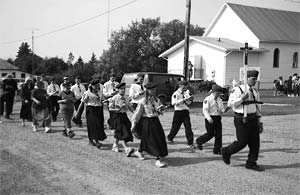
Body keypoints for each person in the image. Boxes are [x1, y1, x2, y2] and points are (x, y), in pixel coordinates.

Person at [221, 70, 265, 171]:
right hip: (241, 119)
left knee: (255, 143)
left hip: (253, 118)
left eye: (256, 79)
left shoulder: (255, 91)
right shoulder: (237, 90)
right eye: (253, 79)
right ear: (247, 79)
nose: (255, 81)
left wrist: (260, 121)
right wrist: (241, 99)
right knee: (242, 142)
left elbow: (258, 107)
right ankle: (227, 151)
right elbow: (231, 104)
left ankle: (251, 162)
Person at [131, 82, 168, 168]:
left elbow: (159, 111)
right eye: (151, 89)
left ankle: (139, 151)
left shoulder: (156, 100)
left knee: (157, 138)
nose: (154, 91)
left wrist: (161, 109)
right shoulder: (143, 101)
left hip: (155, 120)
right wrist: (134, 123)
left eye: (154, 89)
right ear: (147, 90)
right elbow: (138, 113)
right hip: (147, 121)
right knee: (153, 139)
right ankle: (158, 159)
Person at [196, 84, 228, 155]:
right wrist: (208, 118)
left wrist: (225, 110)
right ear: (213, 92)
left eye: (220, 93)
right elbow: (205, 110)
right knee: (210, 134)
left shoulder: (219, 100)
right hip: (210, 117)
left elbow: (221, 109)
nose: (219, 94)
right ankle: (199, 141)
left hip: (217, 117)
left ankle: (217, 149)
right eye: (218, 93)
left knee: (218, 135)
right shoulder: (208, 99)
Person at [167, 80, 195, 151]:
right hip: (178, 112)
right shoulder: (176, 94)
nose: (186, 87)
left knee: (188, 127)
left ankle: (190, 143)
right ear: (180, 86)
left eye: (187, 85)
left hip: (185, 111)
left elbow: (188, 103)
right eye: (185, 85)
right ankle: (170, 137)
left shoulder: (186, 93)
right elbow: (173, 103)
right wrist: (183, 99)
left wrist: (190, 99)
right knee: (175, 127)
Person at [109, 82, 135, 157]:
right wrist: (116, 110)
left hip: (124, 116)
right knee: (122, 132)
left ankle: (115, 145)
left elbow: (130, 107)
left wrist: (134, 112)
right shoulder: (114, 98)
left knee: (120, 132)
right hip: (117, 117)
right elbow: (110, 108)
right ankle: (126, 148)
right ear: (118, 90)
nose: (123, 90)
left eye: (124, 89)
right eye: (121, 89)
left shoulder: (126, 98)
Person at [82, 79, 107, 148]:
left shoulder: (100, 92)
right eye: (95, 85)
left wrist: (105, 101)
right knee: (93, 124)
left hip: (99, 109)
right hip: (91, 109)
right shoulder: (87, 93)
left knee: (99, 124)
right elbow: (84, 101)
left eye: (98, 85)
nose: (97, 86)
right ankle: (95, 141)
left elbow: (102, 99)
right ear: (91, 86)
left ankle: (95, 139)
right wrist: (86, 99)